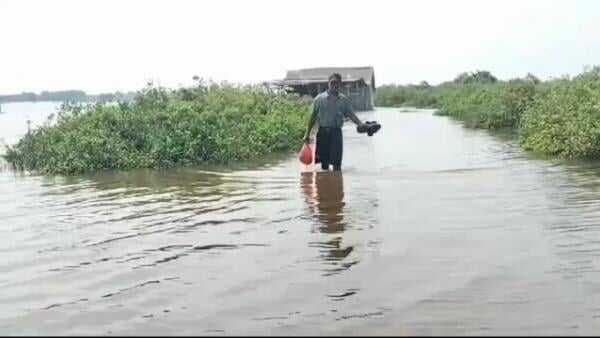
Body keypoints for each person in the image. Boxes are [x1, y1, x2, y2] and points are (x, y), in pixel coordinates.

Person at [302, 73, 365, 171]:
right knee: (324, 165)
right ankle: (325, 183)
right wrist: (307, 134)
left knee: (337, 165)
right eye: (332, 82)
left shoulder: (343, 100)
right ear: (328, 83)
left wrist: (360, 124)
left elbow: (351, 115)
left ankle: (336, 181)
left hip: (336, 134)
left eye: (337, 83)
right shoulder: (319, 99)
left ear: (340, 84)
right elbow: (312, 118)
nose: (334, 85)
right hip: (322, 133)